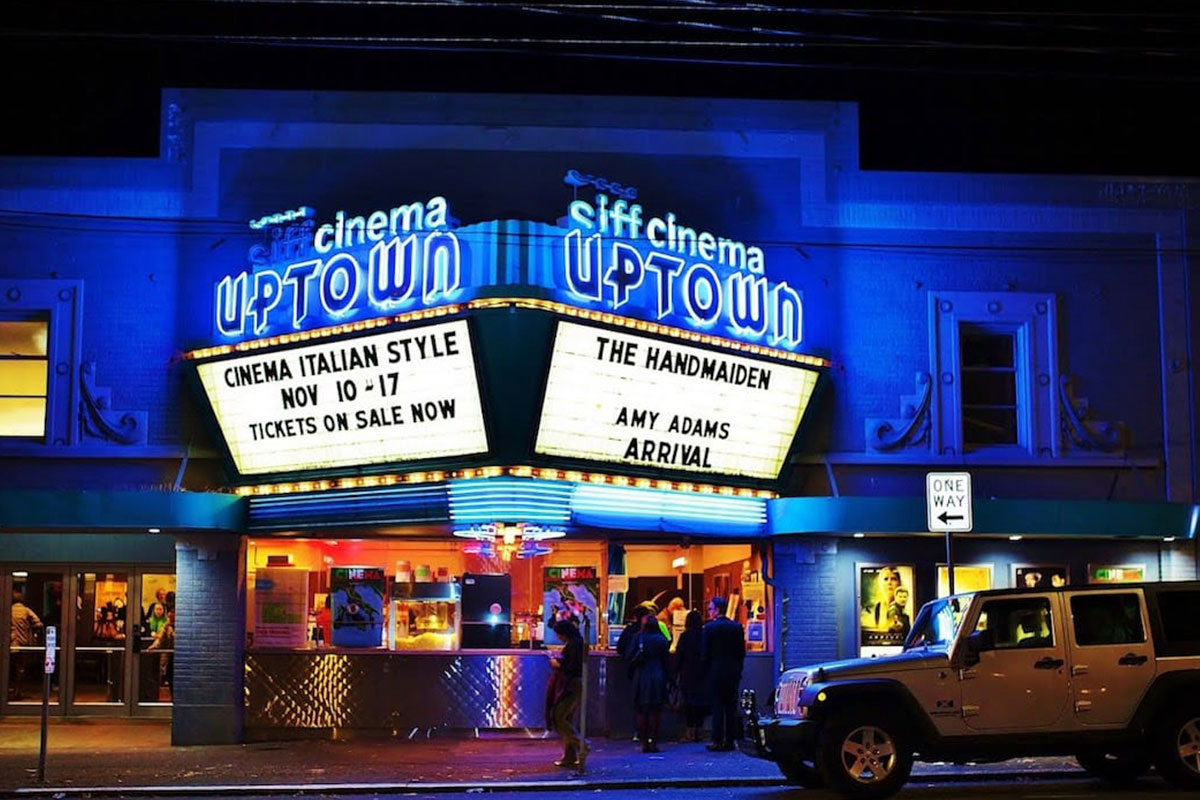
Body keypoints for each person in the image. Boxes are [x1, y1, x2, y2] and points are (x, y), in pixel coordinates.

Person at [702, 596, 745, 751]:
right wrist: (738, 669)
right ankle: (730, 740)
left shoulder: (709, 628)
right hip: (732, 671)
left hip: (715, 671)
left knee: (717, 706)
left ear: (717, 609)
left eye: (710, 609)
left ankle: (717, 739)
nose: (709, 612)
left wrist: (706, 671)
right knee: (731, 706)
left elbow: (705, 653)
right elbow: (741, 652)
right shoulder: (737, 627)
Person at [546, 615, 588, 770]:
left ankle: (581, 745)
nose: (557, 637)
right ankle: (570, 756)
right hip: (574, 683)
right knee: (568, 719)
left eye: (558, 634)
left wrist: (556, 663)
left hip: (570, 684)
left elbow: (570, 666)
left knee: (559, 717)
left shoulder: (574, 645)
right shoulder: (577, 642)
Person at [630, 613, 670, 753]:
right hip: (658, 675)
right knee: (656, 710)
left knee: (641, 709)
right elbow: (667, 661)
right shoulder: (661, 640)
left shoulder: (638, 638)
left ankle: (644, 741)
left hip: (642, 675)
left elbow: (628, 655)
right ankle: (653, 740)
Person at [672, 609, 708, 742]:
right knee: (700, 703)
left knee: (688, 704)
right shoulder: (705, 635)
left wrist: (675, 672)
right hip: (702, 673)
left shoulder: (685, 636)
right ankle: (699, 731)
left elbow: (679, 655)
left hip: (687, 673)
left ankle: (689, 732)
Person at [862, 566, 903, 631]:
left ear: (899, 583)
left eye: (893, 579)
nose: (889, 582)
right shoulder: (878, 607)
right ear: (880, 583)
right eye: (886, 579)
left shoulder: (902, 607)